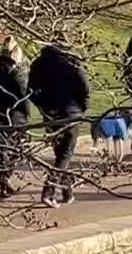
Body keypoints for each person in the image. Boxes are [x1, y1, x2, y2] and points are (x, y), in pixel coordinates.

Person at [29, 43, 90, 208]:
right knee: (65, 154)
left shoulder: (38, 64)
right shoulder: (72, 62)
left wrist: (42, 106)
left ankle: (67, 190)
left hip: (50, 113)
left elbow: (31, 91)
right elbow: (84, 88)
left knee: (60, 152)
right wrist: (82, 107)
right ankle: (48, 191)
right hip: (70, 112)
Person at [0, 37, 29, 198]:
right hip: (14, 117)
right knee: (17, 149)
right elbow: (22, 97)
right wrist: (26, 114)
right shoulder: (15, 73)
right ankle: (6, 177)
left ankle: (3, 182)